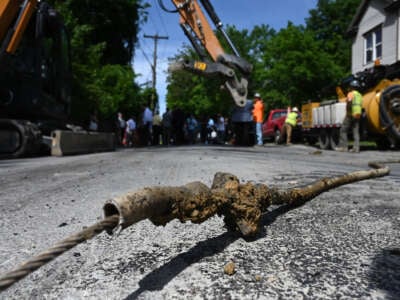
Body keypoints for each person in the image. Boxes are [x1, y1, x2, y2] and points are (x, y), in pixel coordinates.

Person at [335, 80, 363, 153]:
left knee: (343, 130)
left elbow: (349, 102)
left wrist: (348, 113)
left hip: (351, 114)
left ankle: (344, 147)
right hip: (358, 114)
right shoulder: (360, 95)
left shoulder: (351, 94)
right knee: (355, 131)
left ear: (352, 87)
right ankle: (356, 148)